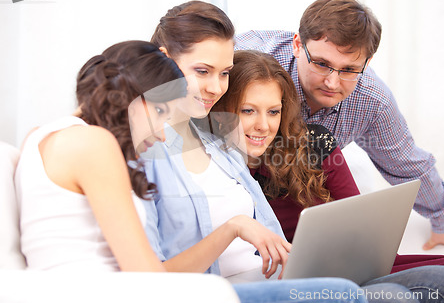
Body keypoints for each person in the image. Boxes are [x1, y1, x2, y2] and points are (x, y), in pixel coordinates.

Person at [14, 39, 375, 303]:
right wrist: (233, 228)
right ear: (131, 97)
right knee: (341, 293)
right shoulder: (95, 144)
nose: (160, 134)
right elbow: (149, 280)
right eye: (158, 114)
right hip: (113, 294)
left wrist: (236, 227)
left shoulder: (45, 135)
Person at [212, 49, 444, 302]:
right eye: (248, 110)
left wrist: (442, 218)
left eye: (273, 112)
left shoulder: (315, 144)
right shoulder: (214, 168)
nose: (263, 125)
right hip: (291, 281)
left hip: (348, 268)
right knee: (414, 291)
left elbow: (366, 228)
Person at [234, 0, 444, 253]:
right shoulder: (243, 59)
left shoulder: (372, 101)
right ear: (298, 44)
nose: (332, 83)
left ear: (368, 62)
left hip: (294, 204)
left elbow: (407, 164)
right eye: (322, 64)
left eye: (349, 69)